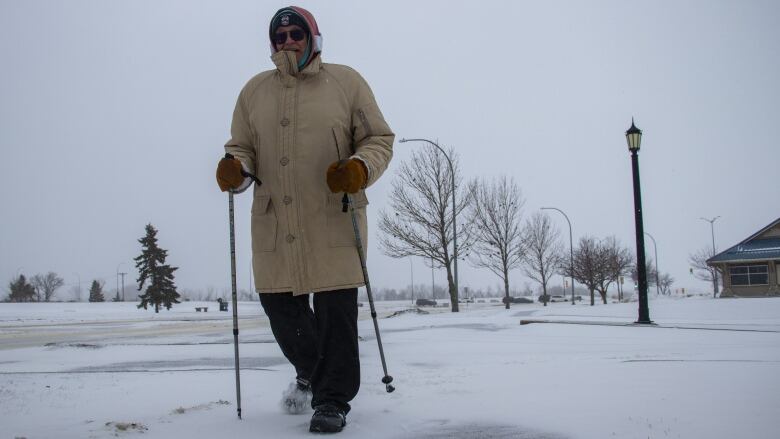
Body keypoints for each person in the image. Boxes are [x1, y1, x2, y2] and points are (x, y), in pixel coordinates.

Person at [215, 6, 394, 434]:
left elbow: (378, 139)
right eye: (280, 37)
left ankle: (332, 400)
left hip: (334, 215)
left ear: (313, 37)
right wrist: (235, 167)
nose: (288, 41)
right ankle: (313, 374)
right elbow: (241, 146)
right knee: (281, 308)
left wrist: (359, 167)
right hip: (276, 221)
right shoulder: (253, 92)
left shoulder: (346, 82)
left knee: (335, 314)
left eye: (296, 33)